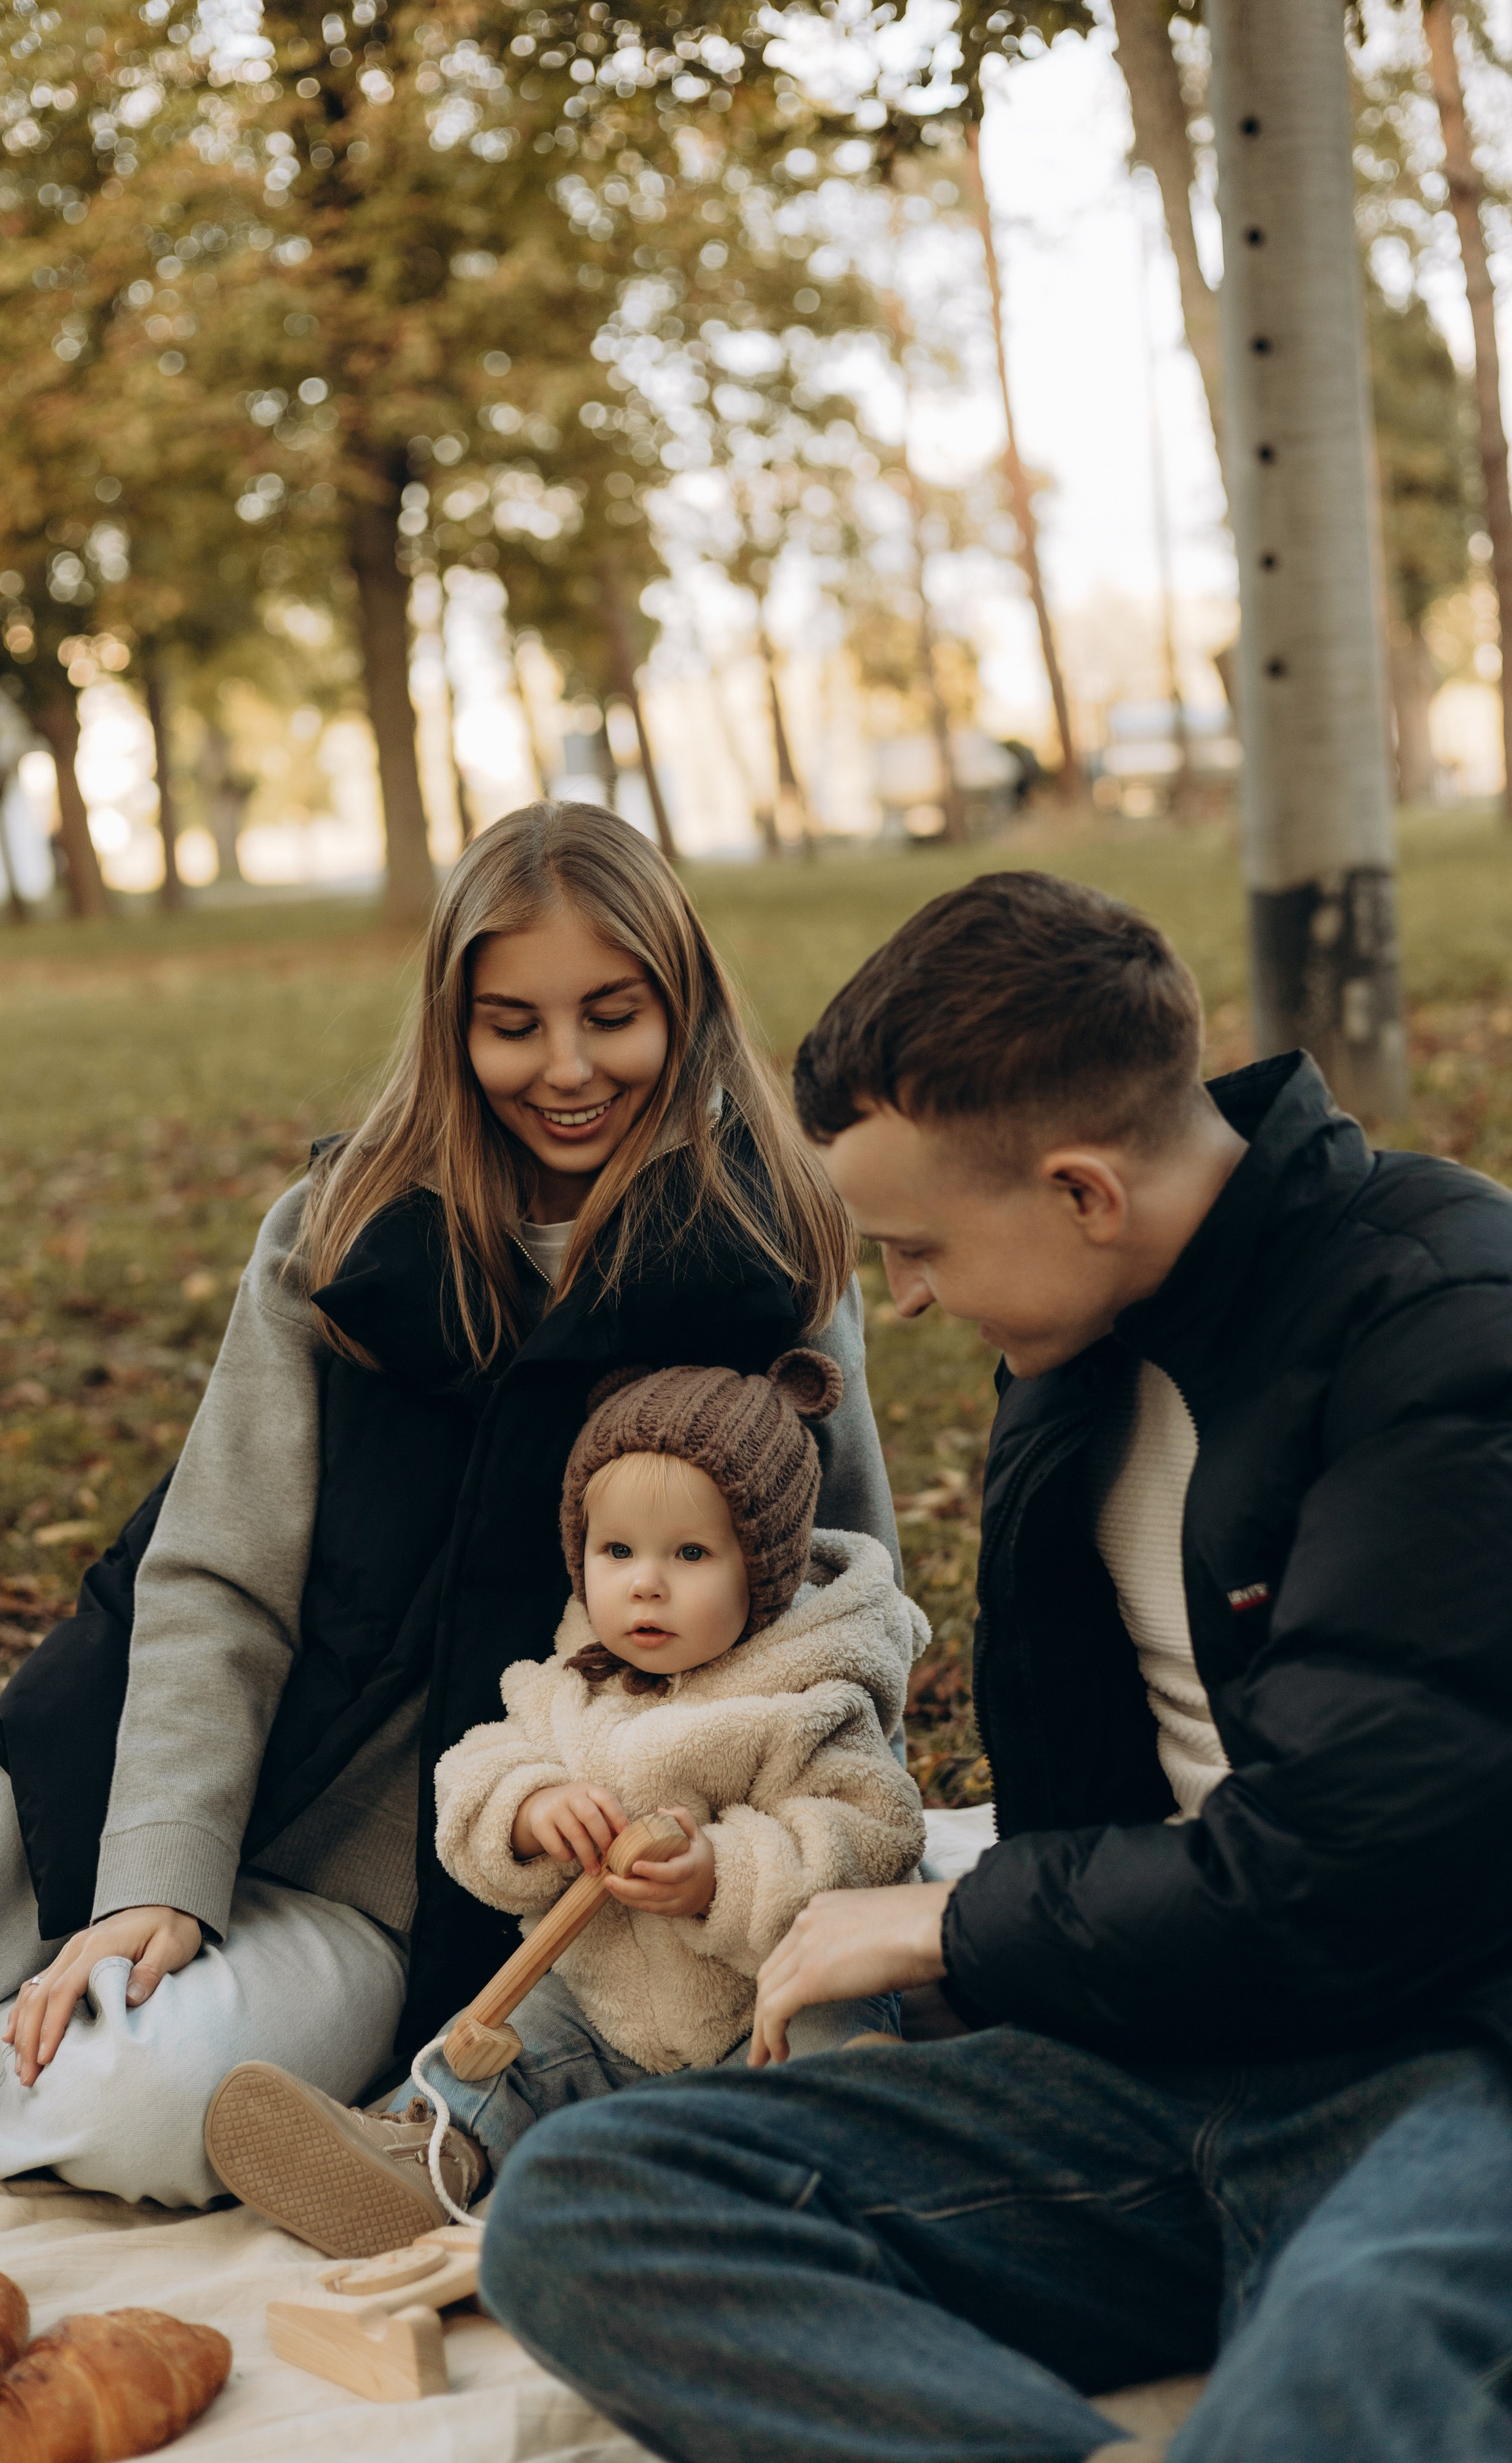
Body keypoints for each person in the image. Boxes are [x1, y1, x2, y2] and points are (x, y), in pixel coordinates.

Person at [480, 869, 1512, 2463]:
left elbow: (1346, 1867)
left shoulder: (1442, 1329)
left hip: (1442, 2069)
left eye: (914, 1247)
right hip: (1155, 2070)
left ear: (1083, 1191)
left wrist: (952, 1917)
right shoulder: (1071, 1357)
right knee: (588, 2199)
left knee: (1332, 2385)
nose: (900, 1295)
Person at [0, 804, 899, 2209]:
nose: (566, 1068)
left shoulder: (772, 1255)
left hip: (421, 1871)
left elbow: (844, 1604)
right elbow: (217, 1574)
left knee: (139, 2115)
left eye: (612, 1014)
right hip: (137, 1761)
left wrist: (761, 1866)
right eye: (511, 1023)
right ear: (454, 1025)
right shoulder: (342, 1232)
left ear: (683, 1004)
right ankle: (56, 1959)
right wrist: (150, 1878)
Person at [201, 1351, 927, 2253]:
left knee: (827, 2033)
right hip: (606, 2002)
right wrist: (531, 1808)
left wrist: (723, 1872)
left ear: (766, 1567)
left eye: (690, 1554)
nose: (644, 1584)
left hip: (765, 1996)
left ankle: (837, 2144)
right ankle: (423, 2153)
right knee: (506, 2044)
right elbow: (475, 1770)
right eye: (616, 1551)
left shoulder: (808, 1691)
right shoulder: (574, 1680)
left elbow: (874, 1830)